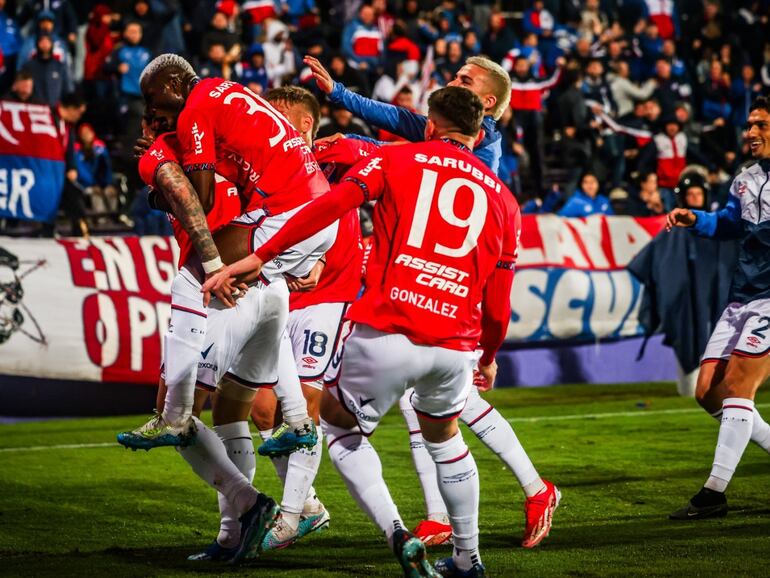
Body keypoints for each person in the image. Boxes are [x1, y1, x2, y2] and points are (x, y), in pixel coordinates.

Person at [203, 86, 519, 578]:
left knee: (339, 429)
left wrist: (261, 255)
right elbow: (499, 302)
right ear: (480, 135)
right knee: (447, 439)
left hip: (389, 329)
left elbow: (326, 209)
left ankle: (396, 533)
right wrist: (489, 355)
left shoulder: (396, 160)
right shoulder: (504, 198)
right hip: (456, 345)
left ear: (430, 125)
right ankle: (467, 558)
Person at [121, 53, 332, 468]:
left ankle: (175, 416)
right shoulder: (227, 91)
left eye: (153, 97)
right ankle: (297, 423)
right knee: (265, 303)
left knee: (193, 277)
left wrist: (157, 191)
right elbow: (234, 171)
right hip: (316, 210)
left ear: (174, 85)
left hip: (286, 211)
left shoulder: (194, 110)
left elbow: (201, 198)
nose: (151, 110)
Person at [666, 96, 770, 519]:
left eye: (761, 125)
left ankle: (714, 492)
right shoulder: (744, 179)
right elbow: (729, 222)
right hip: (741, 294)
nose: (751, 133)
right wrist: (697, 219)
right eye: (749, 125)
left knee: (740, 386)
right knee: (707, 391)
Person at [304, 53, 511, 174]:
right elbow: (394, 116)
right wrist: (336, 91)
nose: (451, 84)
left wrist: (353, 142)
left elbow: (413, 158)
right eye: (455, 77)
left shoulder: (482, 147)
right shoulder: (457, 126)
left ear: (488, 102)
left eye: (465, 81)